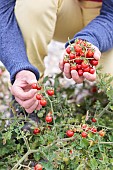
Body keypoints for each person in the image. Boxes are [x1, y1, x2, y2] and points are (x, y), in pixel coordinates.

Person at [0, 0, 113, 114]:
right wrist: (19, 66)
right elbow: (2, 10)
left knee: (110, 81)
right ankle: (29, 92)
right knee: (34, 4)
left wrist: (90, 39)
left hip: (107, 22)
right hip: (66, 8)